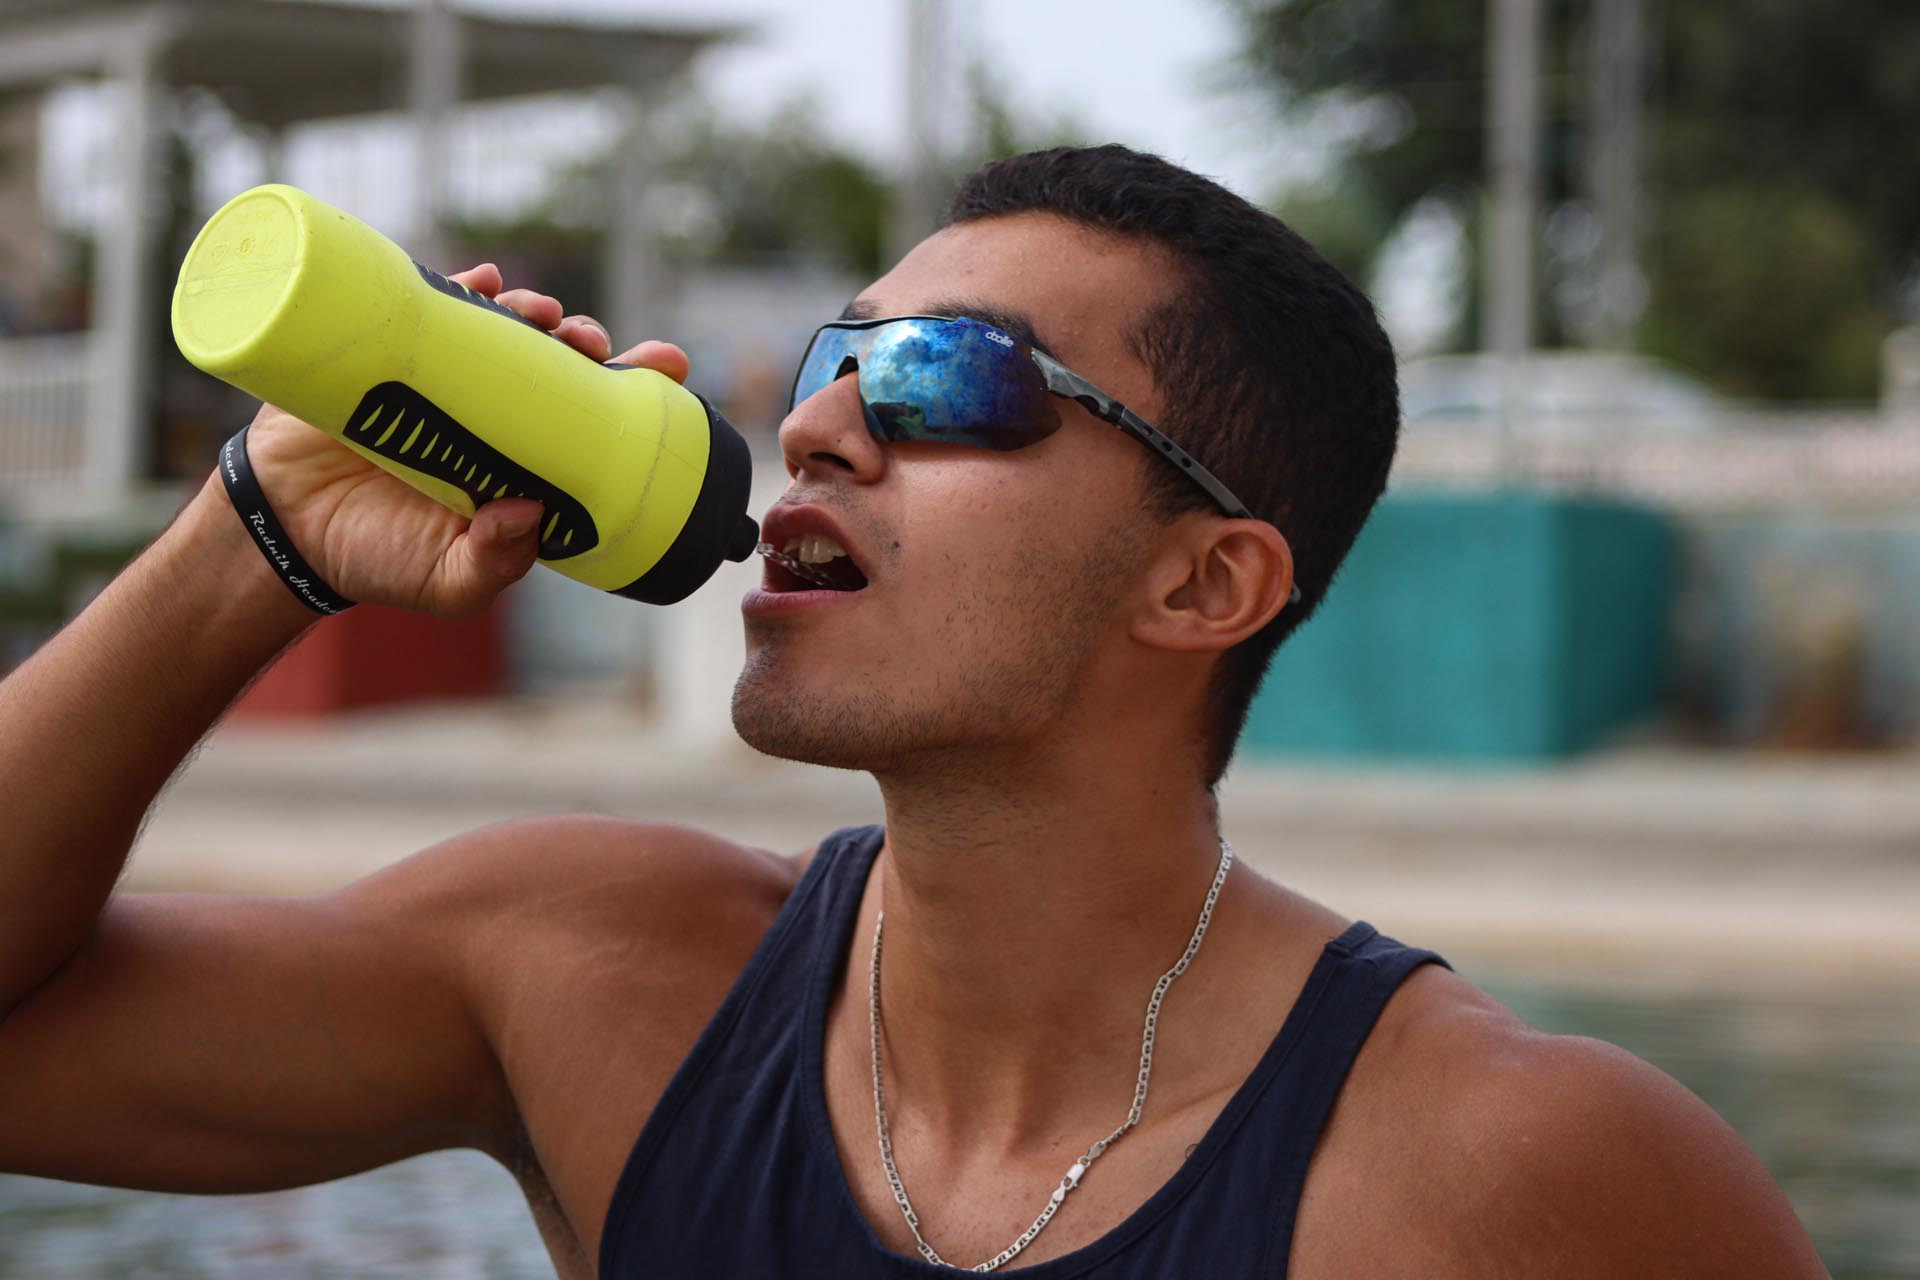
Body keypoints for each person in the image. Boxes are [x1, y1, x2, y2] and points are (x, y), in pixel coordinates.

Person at [0, 146, 1826, 1278]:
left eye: (946, 379)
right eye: (833, 359)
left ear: (1205, 583)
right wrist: (256, 541)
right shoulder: (588, 972)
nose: (815, 426)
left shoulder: (1513, 1173)